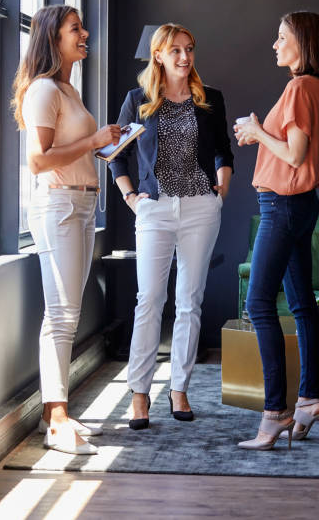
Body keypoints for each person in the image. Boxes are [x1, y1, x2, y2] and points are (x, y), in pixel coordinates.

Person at [109, 23, 234, 429]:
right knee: (149, 299)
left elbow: (222, 151)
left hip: (201, 207)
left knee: (189, 300)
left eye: (189, 49)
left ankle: (179, 388)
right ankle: (140, 393)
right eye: (175, 50)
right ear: (158, 55)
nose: (184, 57)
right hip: (155, 209)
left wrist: (221, 193)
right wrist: (130, 198)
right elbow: (116, 155)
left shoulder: (208, 99)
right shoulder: (138, 100)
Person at [12, 5, 121, 454]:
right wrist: (94, 142)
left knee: (69, 312)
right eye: (75, 29)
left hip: (81, 203)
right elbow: (38, 161)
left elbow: (69, 149)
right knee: (61, 315)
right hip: (58, 205)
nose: (85, 33)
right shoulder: (42, 90)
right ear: (52, 39)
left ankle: (50, 415)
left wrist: (105, 148)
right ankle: (58, 420)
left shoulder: (67, 91)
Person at [234, 11, 319, 450]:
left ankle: (274, 411)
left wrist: (257, 130)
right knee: (301, 305)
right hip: (302, 205)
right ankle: (309, 398)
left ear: (304, 44)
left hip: (283, 206)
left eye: (282, 38)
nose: (275, 45)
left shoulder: (298, 87)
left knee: (259, 303)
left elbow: (294, 156)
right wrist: (257, 136)